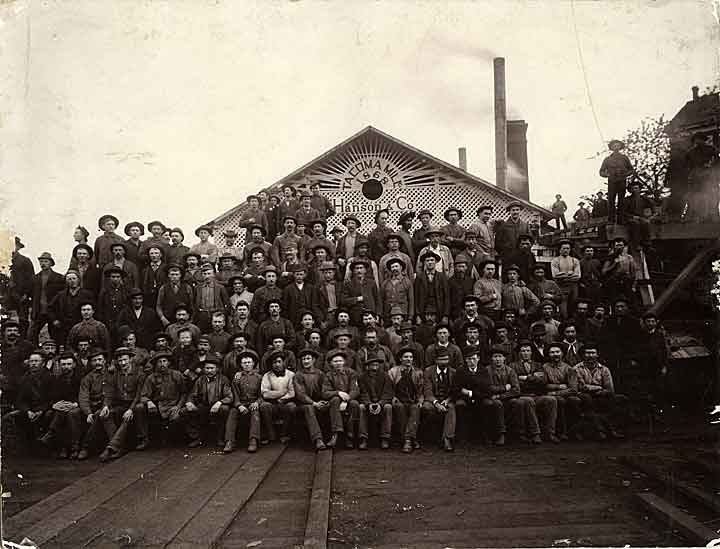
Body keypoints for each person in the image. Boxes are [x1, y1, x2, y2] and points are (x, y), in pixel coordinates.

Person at [98, 347, 149, 461]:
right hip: (121, 404)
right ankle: (118, 446)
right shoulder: (115, 375)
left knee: (132, 413)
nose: (123, 363)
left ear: (131, 359)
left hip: (134, 404)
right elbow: (109, 393)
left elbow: (138, 395)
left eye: (125, 360)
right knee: (106, 415)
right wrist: (105, 406)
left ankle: (112, 447)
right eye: (120, 361)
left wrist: (131, 409)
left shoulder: (139, 374)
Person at [574, 342, 628, 440]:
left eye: (593, 353)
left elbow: (609, 388)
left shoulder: (604, 369)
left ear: (597, 355)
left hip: (601, 396)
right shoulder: (577, 369)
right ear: (582, 355)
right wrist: (598, 388)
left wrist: (598, 390)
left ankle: (613, 429)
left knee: (619, 399)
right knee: (588, 400)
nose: (590, 356)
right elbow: (582, 387)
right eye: (587, 353)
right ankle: (600, 430)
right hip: (584, 396)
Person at [510, 340, 558, 443]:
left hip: (537, 394)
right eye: (523, 351)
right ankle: (535, 433)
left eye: (528, 351)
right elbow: (516, 382)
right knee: (528, 401)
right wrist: (534, 377)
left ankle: (549, 433)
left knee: (551, 400)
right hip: (521, 395)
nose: (525, 353)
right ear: (519, 353)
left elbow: (544, 381)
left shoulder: (538, 365)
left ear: (532, 352)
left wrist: (526, 378)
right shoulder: (512, 366)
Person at [37, 351, 82, 458]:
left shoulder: (80, 378)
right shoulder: (58, 379)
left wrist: (75, 404)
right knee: (57, 413)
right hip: (62, 407)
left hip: (78, 405)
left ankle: (72, 446)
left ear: (74, 364)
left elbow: (84, 394)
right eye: (63, 364)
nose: (66, 367)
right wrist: (54, 405)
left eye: (69, 364)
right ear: (60, 365)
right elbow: (52, 396)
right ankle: (63, 447)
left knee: (71, 414)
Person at [184, 355, 233, 449]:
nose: (209, 371)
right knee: (185, 411)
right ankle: (197, 437)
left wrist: (219, 403)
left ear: (217, 369)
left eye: (212, 368)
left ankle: (220, 438)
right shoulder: (200, 379)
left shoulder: (223, 379)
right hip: (204, 405)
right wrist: (189, 402)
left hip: (218, 406)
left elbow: (229, 396)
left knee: (224, 409)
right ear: (204, 369)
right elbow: (193, 394)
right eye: (207, 368)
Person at [141, 351, 188, 445]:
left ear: (169, 362)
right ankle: (146, 439)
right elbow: (143, 395)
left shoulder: (177, 375)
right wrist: (149, 402)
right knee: (142, 409)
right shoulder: (151, 378)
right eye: (159, 362)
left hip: (174, 405)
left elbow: (184, 393)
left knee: (177, 418)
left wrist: (178, 406)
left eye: (164, 361)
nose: (162, 364)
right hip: (159, 406)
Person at [76, 349, 116, 460]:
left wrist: (106, 406)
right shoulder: (87, 378)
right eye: (94, 360)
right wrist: (88, 412)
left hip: (109, 405)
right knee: (79, 414)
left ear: (104, 361)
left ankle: (86, 447)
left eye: (100, 359)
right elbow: (83, 396)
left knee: (100, 414)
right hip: (93, 406)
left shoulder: (112, 374)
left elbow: (110, 393)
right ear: (91, 363)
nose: (97, 362)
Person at [226, 350, 268, 453]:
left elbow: (263, 394)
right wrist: (239, 405)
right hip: (241, 403)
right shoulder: (237, 378)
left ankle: (253, 440)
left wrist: (257, 402)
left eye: (249, 362)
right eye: (244, 363)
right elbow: (235, 395)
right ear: (241, 364)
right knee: (232, 412)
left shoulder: (260, 378)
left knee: (255, 413)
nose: (247, 365)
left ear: (253, 363)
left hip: (254, 402)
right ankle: (229, 441)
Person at [12, 350, 52, 450]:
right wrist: (28, 411)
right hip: (30, 409)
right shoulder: (24, 379)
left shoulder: (51, 377)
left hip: (46, 409)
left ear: (43, 363)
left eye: (36, 361)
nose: (33, 364)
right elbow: (20, 400)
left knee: (49, 416)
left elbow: (52, 398)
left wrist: (41, 410)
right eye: (31, 361)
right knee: (11, 417)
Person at [388, 347, 424, 453]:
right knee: (399, 408)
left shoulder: (418, 373)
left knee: (415, 409)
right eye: (406, 357)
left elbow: (421, 391)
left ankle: (407, 440)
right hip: (398, 401)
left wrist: (420, 401)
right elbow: (389, 389)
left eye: (411, 357)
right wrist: (393, 398)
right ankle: (411, 439)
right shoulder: (393, 372)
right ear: (400, 359)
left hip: (412, 401)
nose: (409, 359)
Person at [542, 342, 581, 441]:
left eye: (557, 352)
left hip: (566, 394)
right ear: (548, 354)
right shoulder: (544, 368)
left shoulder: (569, 369)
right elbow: (543, 385)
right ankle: (559, 432)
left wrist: (554, 392)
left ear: (562, 353)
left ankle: (573, 431)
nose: (555, 354)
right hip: (552, 396)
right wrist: (559, 386)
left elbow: (573, 389)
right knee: (559, 401)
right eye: (552, 352)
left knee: (574, 400)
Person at [322, 350, 360, 448]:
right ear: (331, 363)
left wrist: (346, 400)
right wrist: (338, 393)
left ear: (344, 362)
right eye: (335, 361)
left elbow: (355, 390)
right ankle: (336, 434)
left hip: (349, 400)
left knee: (354, 404)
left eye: (340, 361)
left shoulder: (351, 373)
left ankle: (350, 436)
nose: (338, 363)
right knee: (334, 400)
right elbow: (325, 393)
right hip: (336, 401)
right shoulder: (328, 375)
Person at [48, 270, 95, 349]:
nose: (72, 281)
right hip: (64, 326)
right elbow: (50, 308)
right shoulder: (61, 295)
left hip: (81, 325)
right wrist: (54, 320)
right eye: (69, 279)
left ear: (78, 280)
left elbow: (94, 309)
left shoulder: (87, 294)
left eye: (74, 278)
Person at [293, 348, 329, 451]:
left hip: (319, 402)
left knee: (332, 404)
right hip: (303, 405)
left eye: (308, 358)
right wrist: (314, 403)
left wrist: (323, 401)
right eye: (303, 359)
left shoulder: (320, 374)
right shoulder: (298, 375)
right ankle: (318, 439)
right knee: (309, 408)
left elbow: (325, 390)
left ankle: (334, 437)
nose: (306, 361)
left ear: (313, 360)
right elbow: (300, 395)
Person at [422, 347, 456, 451]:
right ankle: (428, 437)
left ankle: (447, 439)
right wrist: (436, 403)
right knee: (427, 408)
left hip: (447, 399)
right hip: (433, 399)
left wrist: (448, 400)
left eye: (446, 359)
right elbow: (427, 390)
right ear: (436, 360)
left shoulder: (453, 372)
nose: (444, 362)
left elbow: (455, 390)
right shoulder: (428, 371)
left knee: (451, 408)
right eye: (441, 359)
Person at [28, 252, 66, 346]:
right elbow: (31, 294)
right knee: (32, 334)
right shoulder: (35, 278)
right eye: (41, 261)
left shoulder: (58, 277)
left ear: (51, 263)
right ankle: (35, 353)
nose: (43, 263)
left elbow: (62, 295)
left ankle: (55, 354)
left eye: (45, 261)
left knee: (55, 334)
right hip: (39, 311)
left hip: (53, 312)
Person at [357, 356, 394, 450]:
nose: (374, 367)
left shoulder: (385, 376)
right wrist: (369, 404)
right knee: (361, 407)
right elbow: (362, 392)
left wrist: (380, 404)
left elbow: (388, 392)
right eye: (372, 365)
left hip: (381, 402)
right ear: (367, 366)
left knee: (388, 407)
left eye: (377, 365)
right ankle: (363, 438)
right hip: (368, 403)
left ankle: (385, 437)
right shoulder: (362, 377)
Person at [261, 351, 296, 444]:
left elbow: (292, 393)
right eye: (274, 362)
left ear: (283, 362)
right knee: (264, 406)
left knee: (291, 407)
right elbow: (265, 394)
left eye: (279, 362)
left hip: (286, 402)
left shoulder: (291, 375)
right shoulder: (267, 375)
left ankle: (284, 434)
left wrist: (282, 398)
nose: (277, 364)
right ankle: (270, 434)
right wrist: (282, 392)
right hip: (272, 403)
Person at [685, 133, 720, 222]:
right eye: (697, 139)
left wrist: (712, 169)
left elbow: (717, 162)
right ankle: (698, 217)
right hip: (697, 178)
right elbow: (688, 166)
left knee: (711, 197)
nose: (698, 141)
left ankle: (712, 216)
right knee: (697, 198)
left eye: (700, 139)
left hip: (709, 177)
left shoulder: (712, 150)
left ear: (704, 140)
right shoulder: (690, 152)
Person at [599, 139, 634, 223]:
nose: (616, 147)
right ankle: (611, 219)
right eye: (614, 145)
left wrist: (625, 173)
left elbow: (631, 170)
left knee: (621, 200)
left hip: (622, 181)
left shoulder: (624, 158)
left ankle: (621, 219)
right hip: (612, 182)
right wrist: (607, 174)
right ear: (611, 147)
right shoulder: (607, 159)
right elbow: (601, 171)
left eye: (617, 145)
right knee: (611, 200)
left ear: (620, 147)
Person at [341, 257, 381, 326]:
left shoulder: (371, 283)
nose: (359, 271)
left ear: (365, 270)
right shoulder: (348, 284)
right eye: (357, 268)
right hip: (355, 317)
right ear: (353, 271)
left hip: (370, 315)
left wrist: (378, 314)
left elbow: (377, 299)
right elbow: (343, 300)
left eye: (361, 268)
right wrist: (356, 299)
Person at [414, 251, 450, 326]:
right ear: (424, 262)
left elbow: (447, 296)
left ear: (436, 262)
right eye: (427, 260)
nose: (430, 262)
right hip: (423, 309)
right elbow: (416, 297)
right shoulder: (419, 277)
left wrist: (445, 315)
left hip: (439, 308)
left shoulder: (442, 277)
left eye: (432, 260)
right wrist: (418, 315)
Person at [193, 263, 230, 333]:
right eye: (204, 274)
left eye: (209, 273)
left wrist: (221, 313)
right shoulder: (197, 288)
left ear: (213, 274)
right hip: (202, 316)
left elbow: (227, 304)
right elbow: (194, 302)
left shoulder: (220, 287)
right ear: (202, 275)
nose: (207, 276)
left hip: (216, 316)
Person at [156, 264, 194, 329]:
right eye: (172, 274)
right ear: (168, 275)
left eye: (176, 274)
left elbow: (192, 306)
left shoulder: (187, 288)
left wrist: (190, 320)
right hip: (168, 320)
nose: (174, 277)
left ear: (180, 275)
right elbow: (158, 306)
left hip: (183, 320)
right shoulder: (163, 288)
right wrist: (163, 318)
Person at [10, 237, 35, 336]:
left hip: (21, 296)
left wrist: (26, 294)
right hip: (7, 297)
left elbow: (31, 279)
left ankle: (23, 340)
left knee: (22, 320)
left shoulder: (25, 261)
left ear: (18, 247)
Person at [601, 238, 637, 306]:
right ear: (614, 246)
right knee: (613, 301)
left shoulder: (629, 258)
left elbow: (633, 273)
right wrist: (614, 264)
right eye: (617, 245)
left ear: (624, 246)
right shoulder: (610, 257)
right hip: (614, 283)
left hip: (627, 282)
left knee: (629, 300)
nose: (619, 247)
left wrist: (633, 285)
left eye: (621, 245)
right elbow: (603, 272)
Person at [550, 239, 581, 319]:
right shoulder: (555, 261)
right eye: (564, 248)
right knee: (562, 306)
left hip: (573, 287)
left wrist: (563, 275)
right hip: (560, 286)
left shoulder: (575, 260)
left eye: (568, 248)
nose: (566, 250)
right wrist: (570, 273)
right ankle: (563, 321)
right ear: (560, 249)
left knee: (573, 305)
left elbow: (577, 276)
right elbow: (555, 275)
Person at [494, 202, 530, 268]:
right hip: (508, 258)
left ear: (520, 211)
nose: (515, 212)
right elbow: (497, 243)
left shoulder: (525, 226)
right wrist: (504, 253)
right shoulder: (503, 226)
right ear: (509, 211)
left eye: (517, 210)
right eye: (513, 210)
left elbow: (530, 241)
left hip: (522, 257)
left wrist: (525, 250)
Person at [622, 181, 654, 251]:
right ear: (631, 190)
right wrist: (632, 216)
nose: (635, 190)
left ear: (640, 189)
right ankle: (637, 244)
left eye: (636, 188)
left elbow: (652, 205)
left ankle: (647, 243)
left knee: (646, 223)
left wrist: (651, 215)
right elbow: (623, 212)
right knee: (635, 223)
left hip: (641, 217)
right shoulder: (627, 199)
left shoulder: (644, 199)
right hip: (630, 217)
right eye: (633, 189)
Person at [381, 257, 414, 323]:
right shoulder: (385, 283)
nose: (395, 269)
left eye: (396, 266)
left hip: (403, 314)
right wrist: (381, 317)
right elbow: (381, 300)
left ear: (401, 267)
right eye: (392, 267)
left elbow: (411, 300)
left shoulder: (407, 282)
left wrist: (410, 317)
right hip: (388, 315)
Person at [448, 254, 476, 320]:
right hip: (454, 313)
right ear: (455, 268)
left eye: (463, 267)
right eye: (459, 267)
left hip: (468, 312)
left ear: (466, 268)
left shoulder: (470, 281)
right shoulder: (450, 282)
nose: (461, 269)